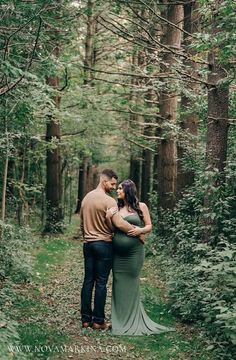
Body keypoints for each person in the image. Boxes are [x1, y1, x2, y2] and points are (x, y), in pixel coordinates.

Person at [107, 179, 174, 335]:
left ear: (128, 191)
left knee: (131, 284)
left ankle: (132, 319)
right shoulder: (116, 208)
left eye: (120, 189)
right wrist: (108, 217)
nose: (117, 191)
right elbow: (112, 229)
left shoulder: (141, 206)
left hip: (134, 254)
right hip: (118, 255)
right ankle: (119, 319)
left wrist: (139, 231)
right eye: (117, 189)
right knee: (118, 283)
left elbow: (149, 226)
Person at [80, 169, 141, 330]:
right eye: (113, 184)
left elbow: (81, 222)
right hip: (104, 245)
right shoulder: (109, 201)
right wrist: (137, 232)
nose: (114, 187)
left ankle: (85, 319)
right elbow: (119, 224)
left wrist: (87, 235)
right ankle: (98, 321)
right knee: (101, 283)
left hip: (88, 244)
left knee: (88, 281)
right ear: (104, 181)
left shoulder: (86, 198)